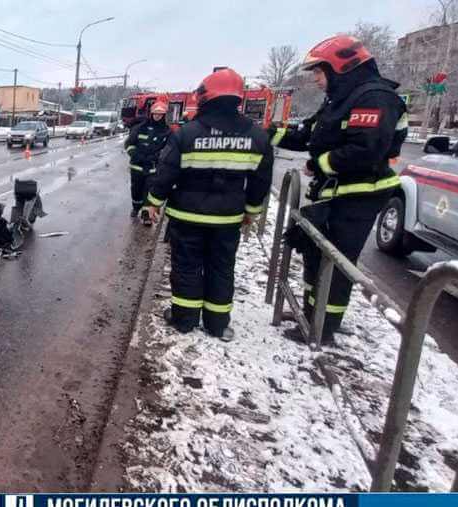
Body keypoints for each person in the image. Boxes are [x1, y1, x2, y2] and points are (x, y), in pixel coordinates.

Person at [271, 35, 407, 345]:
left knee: (336, 260)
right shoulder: (340, 100)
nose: (317, 80)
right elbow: (307, 134)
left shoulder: (374, 97)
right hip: (333, 194)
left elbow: (365, 150)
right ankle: (310, 312)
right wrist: (265, 134)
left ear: (341, 67)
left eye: (319, 72)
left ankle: (324, 327)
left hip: (358, 197)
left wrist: (319, 165)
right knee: (315, 253)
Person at [144, 69, 273, 341]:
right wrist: (251, 210)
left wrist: (153, 203)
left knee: (187, 266)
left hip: (187, 216)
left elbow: (167, 172)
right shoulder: (257, 136)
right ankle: (217, 324)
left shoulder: (187, 134)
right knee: (222, 267)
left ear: (204, 97)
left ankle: (184, 319)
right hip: (228, 219)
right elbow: (261, 181)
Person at [124, 98, 172, 220]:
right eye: (155, 113)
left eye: (160, 114)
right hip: (137, 166)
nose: (157, 116)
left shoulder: (167, 132)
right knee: (136, 191)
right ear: (151, 113)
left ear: (164, 115)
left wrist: (155, 158)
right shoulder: (140, 128)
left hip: (152, 169)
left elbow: (167, 150)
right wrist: (135, 155)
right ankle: (136, 207)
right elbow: (129, 144)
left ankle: (146, 216)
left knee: (149, 192)